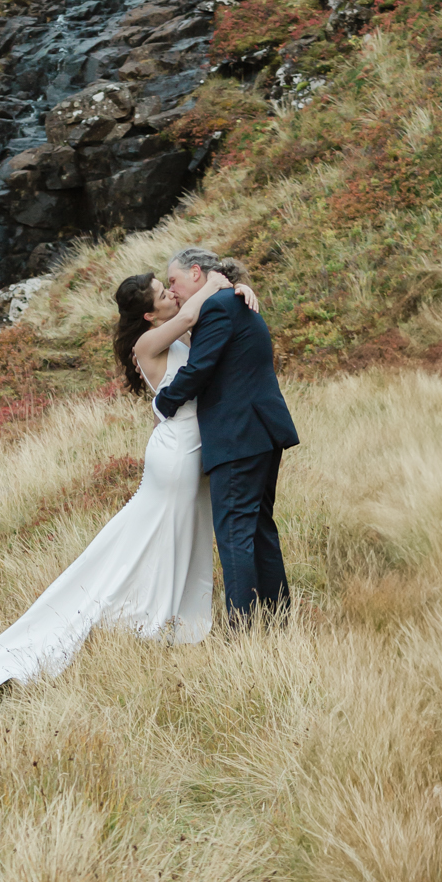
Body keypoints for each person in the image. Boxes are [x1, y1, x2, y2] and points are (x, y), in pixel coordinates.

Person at [0, 262, 258, 717]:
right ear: (150, 316)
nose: (172, 296)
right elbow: (195, 313)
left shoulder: (174, 333)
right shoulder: (149, 342)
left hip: (188, 449)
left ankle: (165, 614)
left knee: (167, 537)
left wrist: (239, 287)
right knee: (162, 536)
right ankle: (146, 619)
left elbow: (208, 326)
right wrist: (217, 283)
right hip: (176, 456)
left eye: (168, 289)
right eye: (163, 295)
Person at [152, 246, 299, 623]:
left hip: (239, 434)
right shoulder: (233, 300)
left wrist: (163, 404)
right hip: (261, 431)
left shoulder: (218, 306)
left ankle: (243, 630)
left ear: (196, 273)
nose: (173, 291)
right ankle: (278, 617)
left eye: (174, 281)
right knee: (259, 527)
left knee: (235, 532)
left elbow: (200, 367)